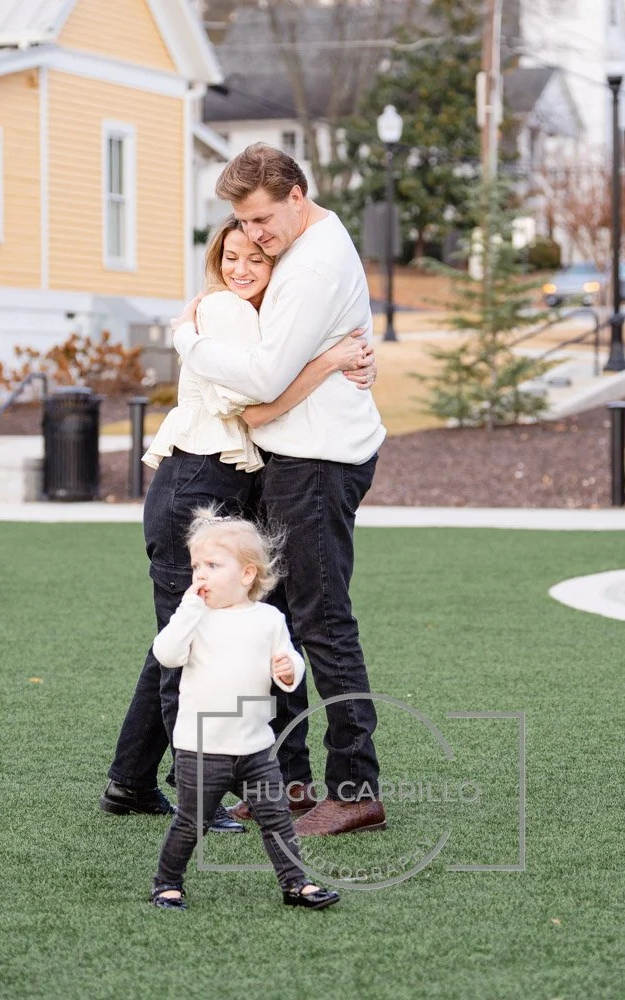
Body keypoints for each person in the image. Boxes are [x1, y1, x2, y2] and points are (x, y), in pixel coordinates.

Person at [98, 217, 374, 829]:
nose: (240, 268)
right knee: (189, 643)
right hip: (195, 491)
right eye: (230, 256)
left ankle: (130, 780)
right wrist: (330, 361)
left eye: (255, 257)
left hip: (222, 490)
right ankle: (196, 798)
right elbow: (257, 406)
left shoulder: (259, 317)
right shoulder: (223, 315)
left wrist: (348, 363)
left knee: (184, 632)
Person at [171, 143, 387, 837]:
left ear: (297, 195)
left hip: (318, 462)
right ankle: (290, 781)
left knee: (322, 623)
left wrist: (187, 341)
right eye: (243, 221)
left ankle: (354, 789)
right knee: (285, 622)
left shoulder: (314, 261)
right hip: (296, 458)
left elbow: (261, 379)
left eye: (264, 217)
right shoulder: (306, 246)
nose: (255, 234)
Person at [149, 509, 339, 911]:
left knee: (277, 819)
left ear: (247, 574)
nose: (200, 574)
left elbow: (290, 666)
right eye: (196, 565)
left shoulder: (269, 619)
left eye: (213, 565)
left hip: (256, 747)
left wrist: (288, 669)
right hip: (202, 747)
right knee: (192, 821)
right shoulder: (195, 620)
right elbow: (165, 654)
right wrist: (187, 610)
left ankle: (296, 883)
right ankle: (167, 882)